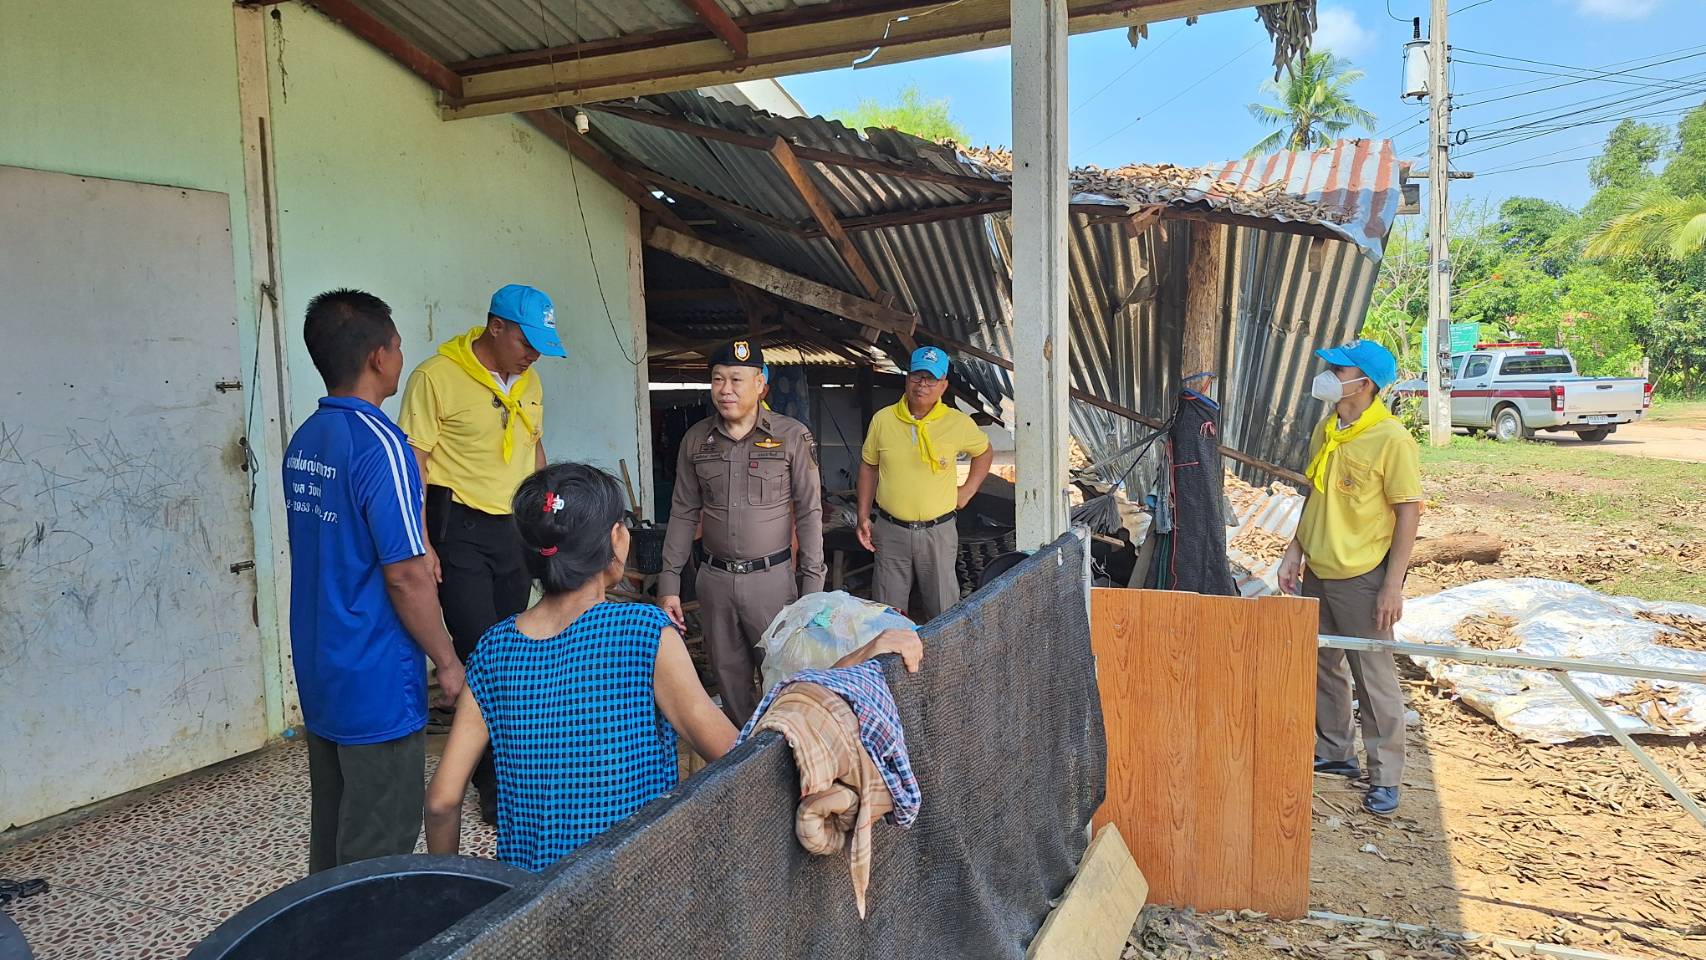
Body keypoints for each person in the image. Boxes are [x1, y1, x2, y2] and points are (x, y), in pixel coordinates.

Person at [423, 463, 921, 871]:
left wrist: (448, 892)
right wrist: (850, 665)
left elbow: (443, 800)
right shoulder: (642, 633)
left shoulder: (493, 649)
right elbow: (739, 756)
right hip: (633, 890)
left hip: (528, 907)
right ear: (616, 542)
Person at [283, 289, 465, 872]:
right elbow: (407, 575)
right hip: (375, 673)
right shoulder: (382, 445)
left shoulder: (307, 439)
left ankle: (322, 920)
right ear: (378, 357)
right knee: (379, 843)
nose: (401, 355)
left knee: (335, 824)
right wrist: (447, 660)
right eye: (398, 345)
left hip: (322, 663)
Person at [398, 283, 562, 824]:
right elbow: (415, 464)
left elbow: (534, 447)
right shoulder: (435, 377)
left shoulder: (530, 380)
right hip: (459, 531)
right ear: (496, 327)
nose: (534, 353)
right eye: (526, 341)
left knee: (513, 649)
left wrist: (545, 516)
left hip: (513, 531)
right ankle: (493, 781)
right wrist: (422, 543)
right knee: (481, 655)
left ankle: (513, 768)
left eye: (541, 344)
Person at [1278, 339, 1421, 817]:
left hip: (1362, 576)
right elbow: (1316, 496)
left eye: (1339, 370)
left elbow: (1408, 513)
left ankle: (1386, 776)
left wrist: (1392, 586)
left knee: (1374, 677)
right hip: (1319, 569)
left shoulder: (1392, 440)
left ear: (1365, 383)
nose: (1328, 375)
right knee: (1324, 664)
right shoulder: (1329, 428)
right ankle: (1336, 751)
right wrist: (1295, 551)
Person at [657, 341, 828, 726]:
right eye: (718, 379)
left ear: (760, 385)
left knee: (783, 679)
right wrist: (669, 583)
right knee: (730, 684)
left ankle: (781, 749)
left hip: (772, 584)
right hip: (714, 582)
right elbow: (683, 512)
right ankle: (742, 751)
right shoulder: (696, 440)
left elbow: (809, 512)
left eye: (736, 379)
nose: (725, 389)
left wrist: (812, 590)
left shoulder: (792, 436)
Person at [856, 346, 995, 623]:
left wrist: (967, 491)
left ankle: (946, 653)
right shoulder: (883, 420)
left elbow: (984, 452)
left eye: (931, 379)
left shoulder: (957, 423)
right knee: (887, 614)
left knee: (944, 611)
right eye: (917, 376)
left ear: (943, 385)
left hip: (938, 532)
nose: (922, 384)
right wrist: (862, 515)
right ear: (907, 378)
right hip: (891, 530)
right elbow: (869, 466)